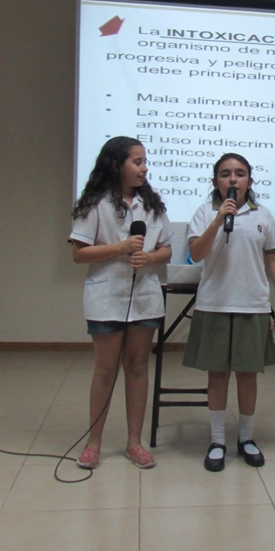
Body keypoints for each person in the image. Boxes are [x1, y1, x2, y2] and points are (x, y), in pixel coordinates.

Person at [69, 136, 172, 469]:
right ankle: (93, 444)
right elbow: (79, 254)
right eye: (137, 162)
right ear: (116, 165)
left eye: (145, 162)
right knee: (105, 370)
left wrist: (151, 257)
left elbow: (167, 249)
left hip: (144, 297)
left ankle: (134, 443)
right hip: (106, 297)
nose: (144, 168)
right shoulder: (94, 203)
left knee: (138, 367)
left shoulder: (152, 205)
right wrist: (121, 248)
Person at [183, 153, 275, 472]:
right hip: (214, 303)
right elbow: (196, 254)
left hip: (252, 304)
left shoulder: (263, 215)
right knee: (217, 375)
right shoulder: (204, 213)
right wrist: (217, 220)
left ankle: (246, 437)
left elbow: (274, 258)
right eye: (225, 174)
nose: (233, 179)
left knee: (247, 375)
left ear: (250, 181)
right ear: (216, 181)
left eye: (240, 174)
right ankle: (217, 440)